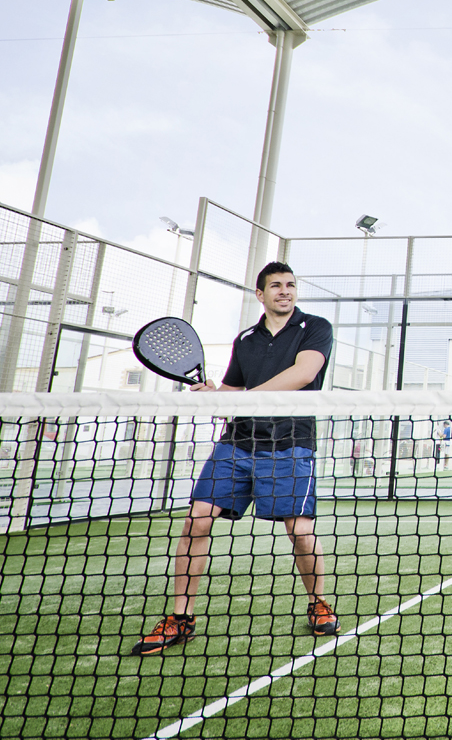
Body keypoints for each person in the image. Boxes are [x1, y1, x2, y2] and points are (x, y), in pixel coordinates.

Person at [131, 261, 338, 656]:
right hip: (237, 443)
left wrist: (239, 398)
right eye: (275, 286)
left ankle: (317, 603)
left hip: (290, 442)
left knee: (299, 531)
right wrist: (216, 394)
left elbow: (303, 373)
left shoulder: (316, 328)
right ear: (260, 295)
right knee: (196, 521)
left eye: (290, 285)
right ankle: (181, 617)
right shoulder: (245, 339)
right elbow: (231, 389)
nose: (285, 291)